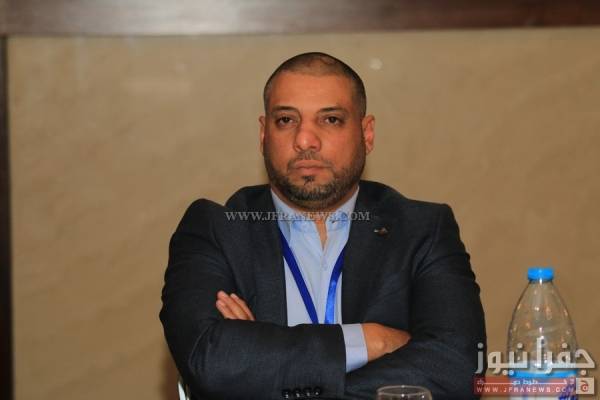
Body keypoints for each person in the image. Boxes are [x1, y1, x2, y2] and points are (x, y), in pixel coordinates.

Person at [160, 52, 486, 400]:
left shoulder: (422, 230)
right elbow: (210, 362)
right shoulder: (216, 230)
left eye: (330, 119)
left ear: (367, 134)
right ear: (263, 134)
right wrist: (369, 341)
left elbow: (459, 369)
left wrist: (266, 370)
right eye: (286, 120)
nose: (305, 140)